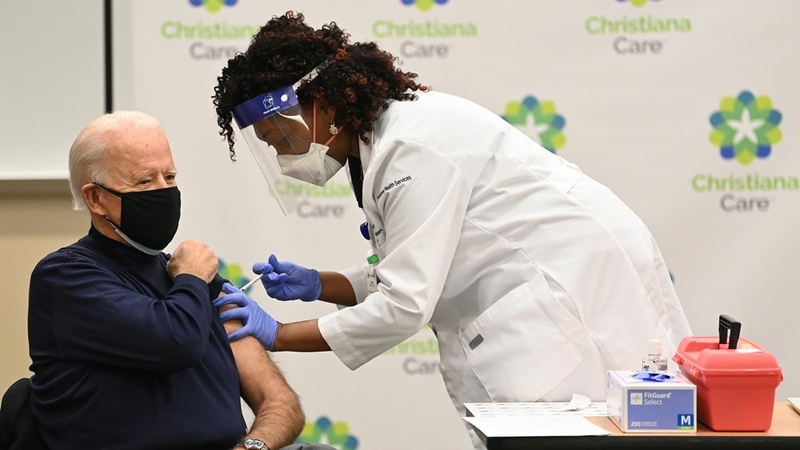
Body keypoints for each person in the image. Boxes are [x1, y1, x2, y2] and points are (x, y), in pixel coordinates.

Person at [211, 11, 693, 448]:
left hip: (574, 289)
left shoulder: (410, 147)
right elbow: (410, 267)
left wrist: (277, 333)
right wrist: (321, 284)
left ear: (322, 104)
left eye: (282, 137)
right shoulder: (379, 142)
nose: (282, 155)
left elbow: (404, 305)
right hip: (548, 284)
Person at [27, 110, 322, 450]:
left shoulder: (190, 278)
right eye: (144, 181)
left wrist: (253, 447)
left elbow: (280, 401)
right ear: (96, 198)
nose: (164, 191)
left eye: (169, 176)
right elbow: (175, 342)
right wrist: (194, 277)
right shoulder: (67, 277)